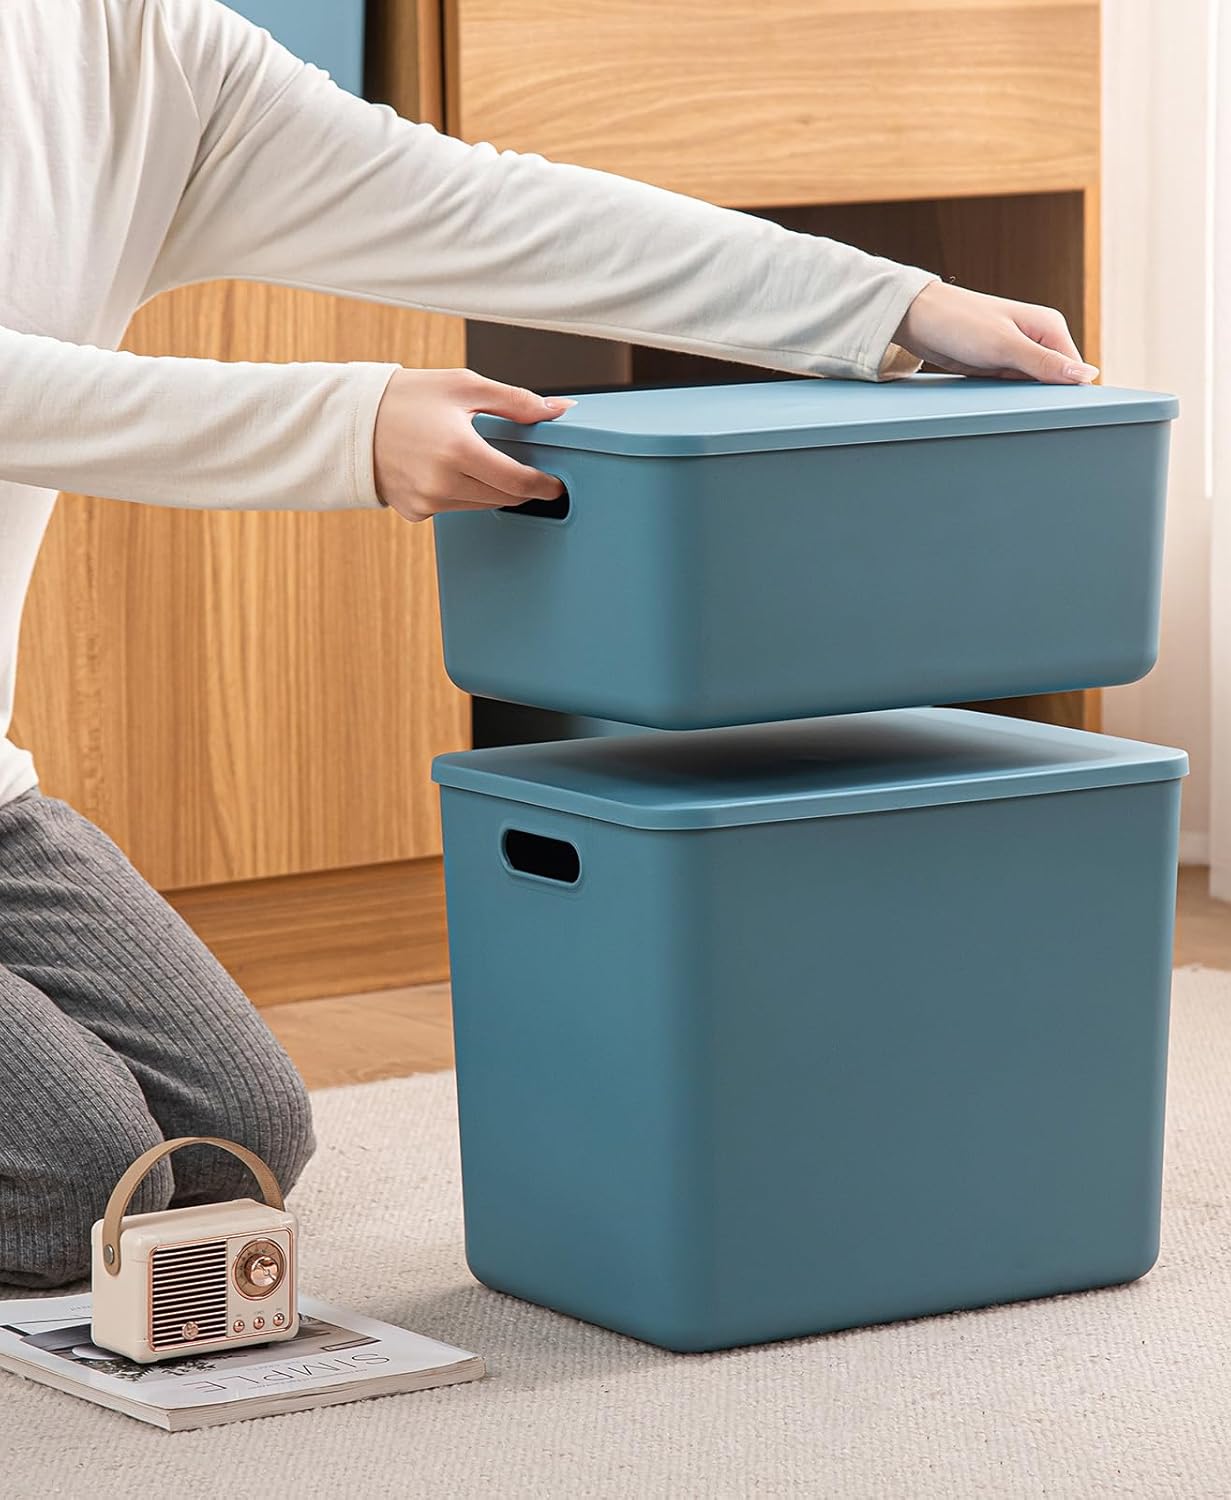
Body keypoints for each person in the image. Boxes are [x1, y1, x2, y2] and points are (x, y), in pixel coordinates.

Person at [0, 0, 1096, 1287]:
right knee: (69, 1182)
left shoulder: (124, 41)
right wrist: (348, 422)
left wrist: (891, 301)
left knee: (232, 1144)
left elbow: (476, 209)